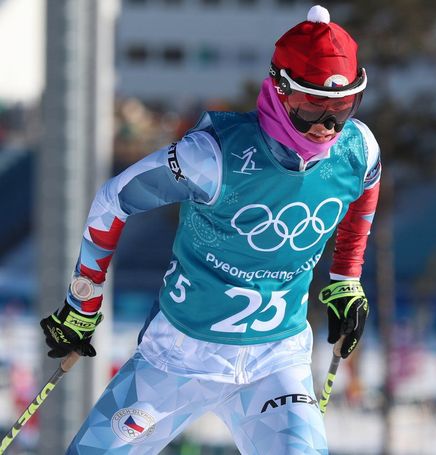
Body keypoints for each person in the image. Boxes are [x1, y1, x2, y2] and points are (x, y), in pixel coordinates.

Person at [39, 4, 380, 454]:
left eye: (341, 109)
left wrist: (345, 281)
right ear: (279, 91)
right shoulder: (211, 157)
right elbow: (113, 200)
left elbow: (364, 193)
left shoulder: (357, 150)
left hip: (275, 361)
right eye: (310, 108)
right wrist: (83, 301)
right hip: (179, 357)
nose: (325, 127)